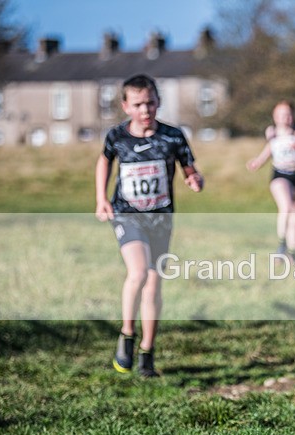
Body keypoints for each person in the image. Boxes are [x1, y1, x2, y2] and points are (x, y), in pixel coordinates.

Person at [95, 74, 204, 377]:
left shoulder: (173, 136)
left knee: (154, 284)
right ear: (125, 106)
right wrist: (101, 199)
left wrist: (195, 179)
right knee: (139, 272)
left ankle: (147, 353)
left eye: (151, 103)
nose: (146, 110)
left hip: (161, 218)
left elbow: (190, 168)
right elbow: (104, 161)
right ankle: (127, 334)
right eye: (139, 104)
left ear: (158, 102)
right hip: (127, 215)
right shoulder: (117, 137)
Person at [246, 100, 295, 261]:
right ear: (275, 116)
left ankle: (293, 253)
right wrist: (257, 162)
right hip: (279, 175)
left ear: (293, 115)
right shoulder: (272, 132)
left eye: (288, 114)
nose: (285, 118)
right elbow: (269, 149)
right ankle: (281, 245)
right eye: (281, 115)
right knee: (286, 206)